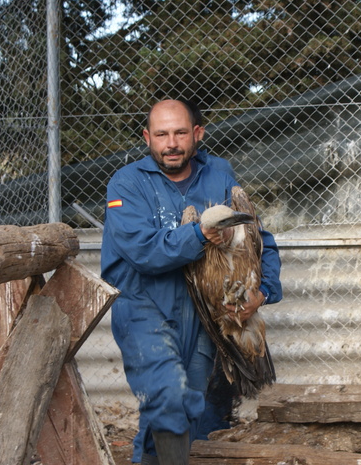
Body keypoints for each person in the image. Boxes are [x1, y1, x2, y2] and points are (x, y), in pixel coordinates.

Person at [101, 99, 282, 464]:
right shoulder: (127, 183)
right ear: (147, 137)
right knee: (168, 395)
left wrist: (261, 292)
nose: (171, 143)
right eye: (162, 134)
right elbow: (144, 252)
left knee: (194, 414)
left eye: (181, 133)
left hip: (205, 315)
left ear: (196, 134)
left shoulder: (219, 176)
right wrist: (200, 236)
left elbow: (259, 239)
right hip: (144, 309)